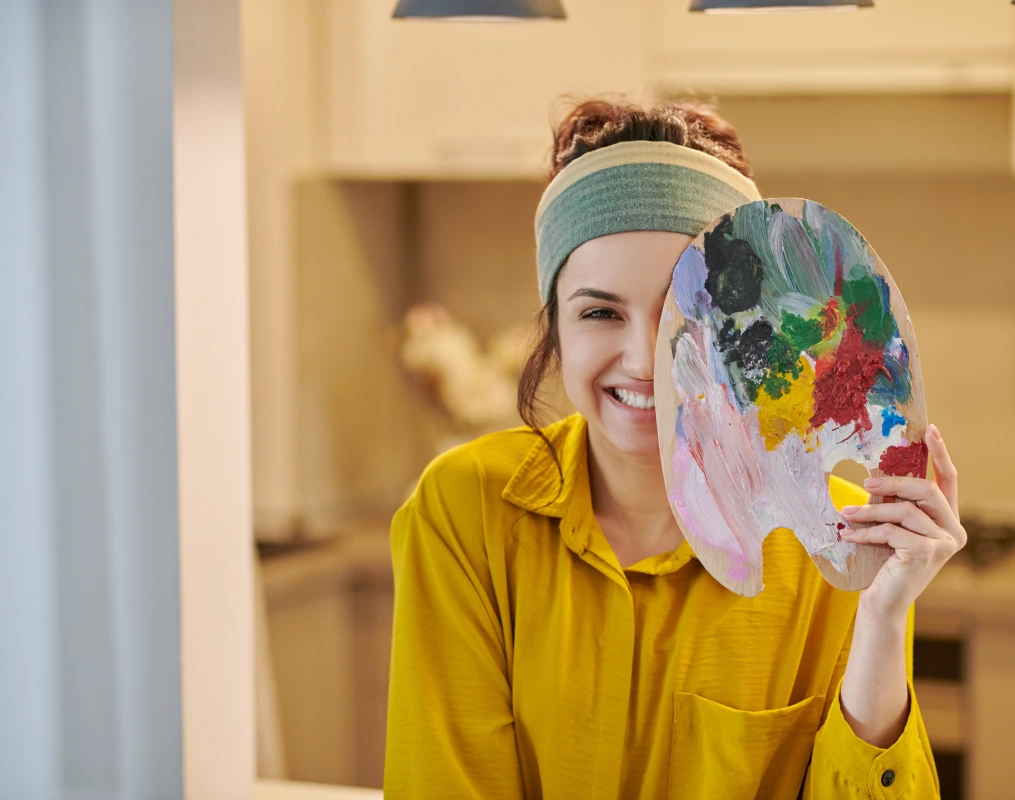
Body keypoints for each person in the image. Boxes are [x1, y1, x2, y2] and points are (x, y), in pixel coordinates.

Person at [383, 99, 966, 799]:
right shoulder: (463, 515)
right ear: (554, 330)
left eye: (681, 312)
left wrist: (881, 617)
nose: (642, 358)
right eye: (600, 313)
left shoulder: (841, 537)